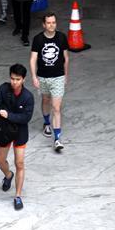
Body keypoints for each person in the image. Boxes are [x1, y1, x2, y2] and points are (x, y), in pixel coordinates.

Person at [0, 64, 35, 211]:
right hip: (4, 131)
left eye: (18, 79)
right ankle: (8, 175)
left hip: (20, 132)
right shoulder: (3, 89)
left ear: (23, 79)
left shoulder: (28, 96)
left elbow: (26, 117)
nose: (14, 82)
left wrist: (9, 115)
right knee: (0, 160)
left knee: (20, 163)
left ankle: (18, 196)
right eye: (12, 78)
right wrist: (0, 116)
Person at [29, 12, 70, 152]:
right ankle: (46, 122)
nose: (51, 25)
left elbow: (66, 57)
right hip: (43, 77)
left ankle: (57, 138)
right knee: (45, 100)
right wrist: (34, 76)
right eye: (49, 23)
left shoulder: (61, 37)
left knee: (57, 108)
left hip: (58, 77)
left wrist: (66, 75)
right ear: (44, 24)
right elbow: (33, 59)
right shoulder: (38, 39)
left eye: (53, 22)